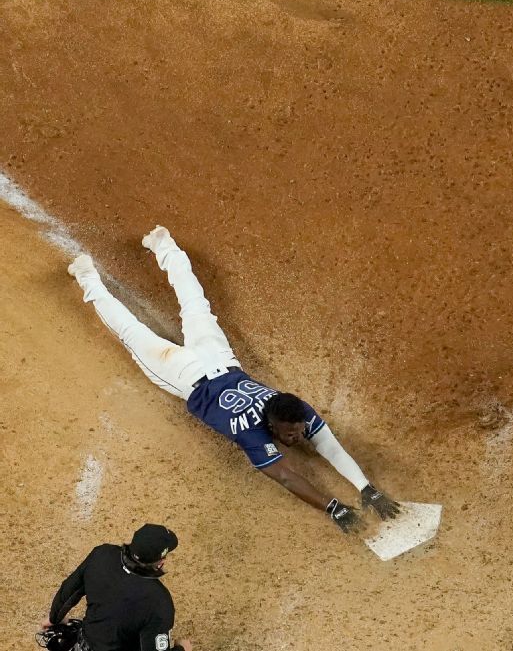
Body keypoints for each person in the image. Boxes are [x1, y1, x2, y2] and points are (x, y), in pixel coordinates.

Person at [67, 226, 401, 533]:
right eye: (291, 433)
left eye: (299, 430)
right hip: (185, 373)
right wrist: (333, 507)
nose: (299, 436)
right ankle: (88, 276)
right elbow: (284, 476)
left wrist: (366, 488)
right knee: (134, 332)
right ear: (270, 426)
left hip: (218, 358)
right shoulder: (252, 433)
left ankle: (162, 242)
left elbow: (327, 443)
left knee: (194, 304)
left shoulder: (291, 409)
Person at [42, 524, 191, 651]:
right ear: (161, 562)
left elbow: (69, 590)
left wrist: (55, 618)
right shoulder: (160, 602)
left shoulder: (101, 554)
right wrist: (182, 648)